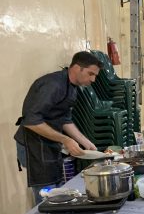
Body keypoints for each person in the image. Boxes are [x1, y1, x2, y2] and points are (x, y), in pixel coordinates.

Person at [14, 51, 102, 204]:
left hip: (48, 143)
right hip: (32, 143)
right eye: (91, 74)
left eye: (95, 75)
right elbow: (31, 121)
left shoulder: (73, 87)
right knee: (45, 193)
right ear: (77, 68)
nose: (93, 79)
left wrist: (85, 142)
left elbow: (65, 120)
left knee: (56, 190)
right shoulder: (53, 85)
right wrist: (65, 140)